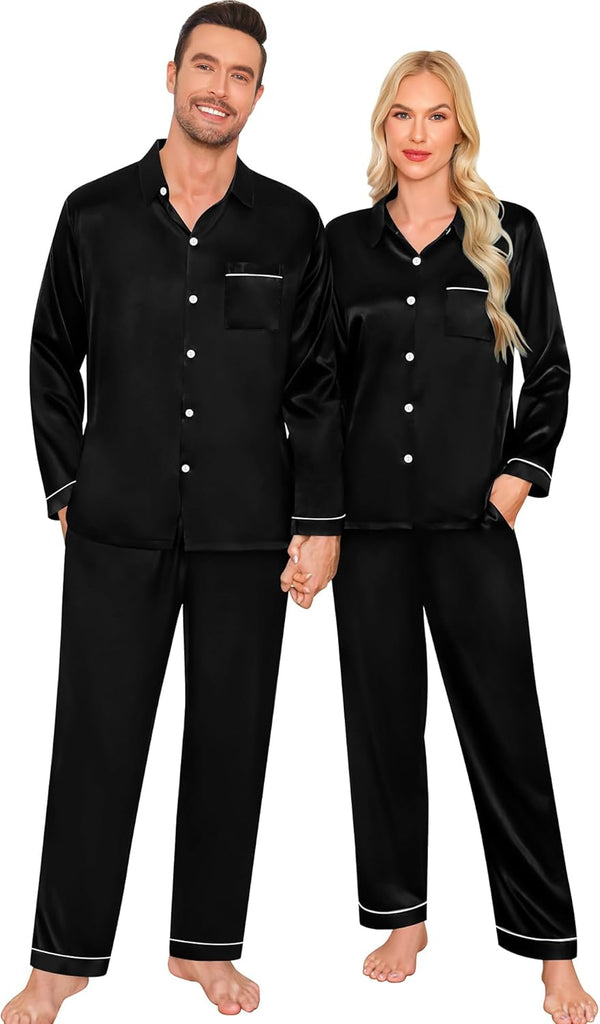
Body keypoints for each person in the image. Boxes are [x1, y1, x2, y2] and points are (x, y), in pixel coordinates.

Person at [1, 3, 344, 1021]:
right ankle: (61, 961)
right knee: (96, 739)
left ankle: (203, 947)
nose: (218, 88)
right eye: (205, 66)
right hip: (117, 525)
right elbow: (50, 355)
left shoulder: (292, 225)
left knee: (232, 739)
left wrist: (320, 521)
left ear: (259, 95)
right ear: (171, 74)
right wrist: (67, 487)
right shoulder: (94, 214)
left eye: (240, 75)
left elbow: (316, 384)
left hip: (248, 528)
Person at [314, 49, 595, 1024]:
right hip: (369, 533)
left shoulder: (510, 235)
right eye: (403, 114)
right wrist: (315, 522)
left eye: (437, 115)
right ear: (383, 128)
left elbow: (550, 370)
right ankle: (403, 919)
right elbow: (316, 392)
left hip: (474, 527)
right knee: (382, 730)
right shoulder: (342, 245)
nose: (419, 132)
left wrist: (517, 481)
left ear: (460, 130)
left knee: (508, 735)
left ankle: (552, 950)